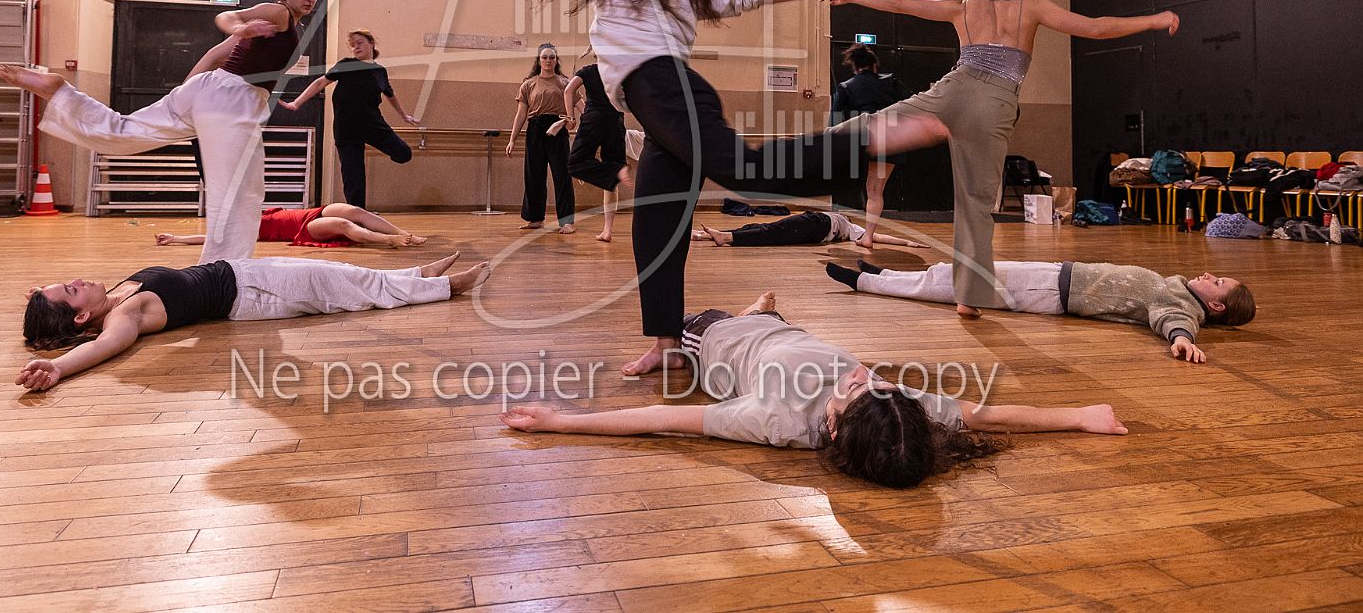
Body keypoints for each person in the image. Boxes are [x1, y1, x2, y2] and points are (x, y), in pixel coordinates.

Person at [525, 0, 948, 376]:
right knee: (656, 223)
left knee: (746, 172)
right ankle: (667, 343)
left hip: (667, 92)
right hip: (660, 104)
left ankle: (866, 139)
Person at [830, 0, 1179, 317]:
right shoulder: (1032, 6)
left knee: (874, 125)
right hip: (994, 102)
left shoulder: (963, 8)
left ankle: (807, 147)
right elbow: (1095, 29)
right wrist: (1153, 20)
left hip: (954, 89)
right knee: (975, 203)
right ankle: (969, 298)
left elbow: (901, 3)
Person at [500, 292, 1127, 489]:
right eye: (873, 382)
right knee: (773, 321)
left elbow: (661, 421)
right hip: (786, 332)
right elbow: (985, 413)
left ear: (832, 427)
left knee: (686, 321)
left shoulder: (773, 419)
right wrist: (1078, 416)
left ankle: (696, 334)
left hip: (719, 342)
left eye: (856, 388)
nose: (865, 375)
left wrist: (561, 421)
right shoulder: (895, 412)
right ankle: (764, 310)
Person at [0, 0, 322, 264]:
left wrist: (187, 92)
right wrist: (240, 28)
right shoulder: (278, 13)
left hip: (209, 90)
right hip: (233, 100)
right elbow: (226, 17)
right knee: (240, 195)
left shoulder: (283, 25)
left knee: (124, 131)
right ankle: (222, 274)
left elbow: (215, 54)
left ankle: (61, 93)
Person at [16, 253, 490, 391]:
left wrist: (43, 300)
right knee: (347, 291)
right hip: (256, 294)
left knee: (343, 273)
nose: (77, 280)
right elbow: (103, 347)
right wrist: (58, 367)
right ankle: (445, 288)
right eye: (71, 290)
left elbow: (68, 318)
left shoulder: (115, 295)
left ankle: (416, 275)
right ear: (83, 315)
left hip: (246, 273)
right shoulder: (124, 316)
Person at [825, 258, 1255, 363]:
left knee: (958, 283)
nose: (1209, 274)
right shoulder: (1177, 287)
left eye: (1217, 282)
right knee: (961, 269)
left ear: (1215, 305)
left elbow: (1173, 322)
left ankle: (866, 282)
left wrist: (1182, 341)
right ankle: (885, 274)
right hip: (1056, 274)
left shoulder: (1182, 305)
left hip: (1050, 291)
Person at [281, 29, 418, 210]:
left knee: (404, 154)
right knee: (354, 180)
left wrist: (404, 115)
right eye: (353, 45)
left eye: (359, 43)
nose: (356, 47)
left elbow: (390, 94)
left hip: (373, 125)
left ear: (371, 44)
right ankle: (358, 217)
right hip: (346, 129)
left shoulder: (380, 71)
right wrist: (297, 103)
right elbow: (320, 82)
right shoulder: (346, 64)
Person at [831, 44, 909, 248]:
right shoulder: (891, 81)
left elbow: (835, 120)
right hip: (891, 141)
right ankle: (868, 235)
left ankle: (864, 234)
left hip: (865, 143)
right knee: (876, 191)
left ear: (855, 68)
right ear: (875, 65)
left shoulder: (846, 86)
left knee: (866, 187)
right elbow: (912, 103)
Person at [506, 43, 575, 234]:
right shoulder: (528, 84)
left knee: (562, 176)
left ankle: (567, 221)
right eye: (544, 57)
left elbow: (580, 105)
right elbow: (521, 114)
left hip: (557, 130)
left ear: (556, 60)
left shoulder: (565, 83)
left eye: (552, 57)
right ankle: (535, 218)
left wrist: (580, 123)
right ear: (538, 60)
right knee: (534, 175)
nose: (548, 60)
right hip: (535, 130)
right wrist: (512, 139)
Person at [155, 202, 426, 250]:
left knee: (354, 211)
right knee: (344, 223)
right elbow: (209, 238)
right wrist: (176, 238)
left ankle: (404, 234)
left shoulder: (255, 209)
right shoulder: (242, 228)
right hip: (304, 230)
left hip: (310, 212)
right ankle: (386, 240)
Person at [565, 53, 630, 243]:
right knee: (612, 180)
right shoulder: (620, 73)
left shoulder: (589, 70)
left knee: (575, 164)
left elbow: (568, 90)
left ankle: (613, 171)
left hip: (594, 120)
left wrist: (570, 117)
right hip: (616, 121)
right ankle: (607, 231)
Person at [691, 210, 924, 249]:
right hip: (815, 222)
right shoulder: (851, 227)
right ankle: (715, 236)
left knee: (769, 231)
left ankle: (724, 237)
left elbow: (877, 236)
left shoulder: (852, 229)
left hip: (816, 225)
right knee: (766, 229)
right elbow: (876, 236)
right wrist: (907, 242)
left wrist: (907, 242)